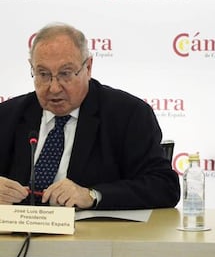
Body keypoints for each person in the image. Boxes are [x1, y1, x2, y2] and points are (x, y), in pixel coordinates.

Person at [0, 22, 180, 210]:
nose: (54, 87)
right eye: (43, 74)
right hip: (16, 236)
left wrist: (92, 195)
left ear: (88, 67)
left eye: (65, 74)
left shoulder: (128, 114)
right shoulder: (7, 116)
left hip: (93, 237)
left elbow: (164, 187)